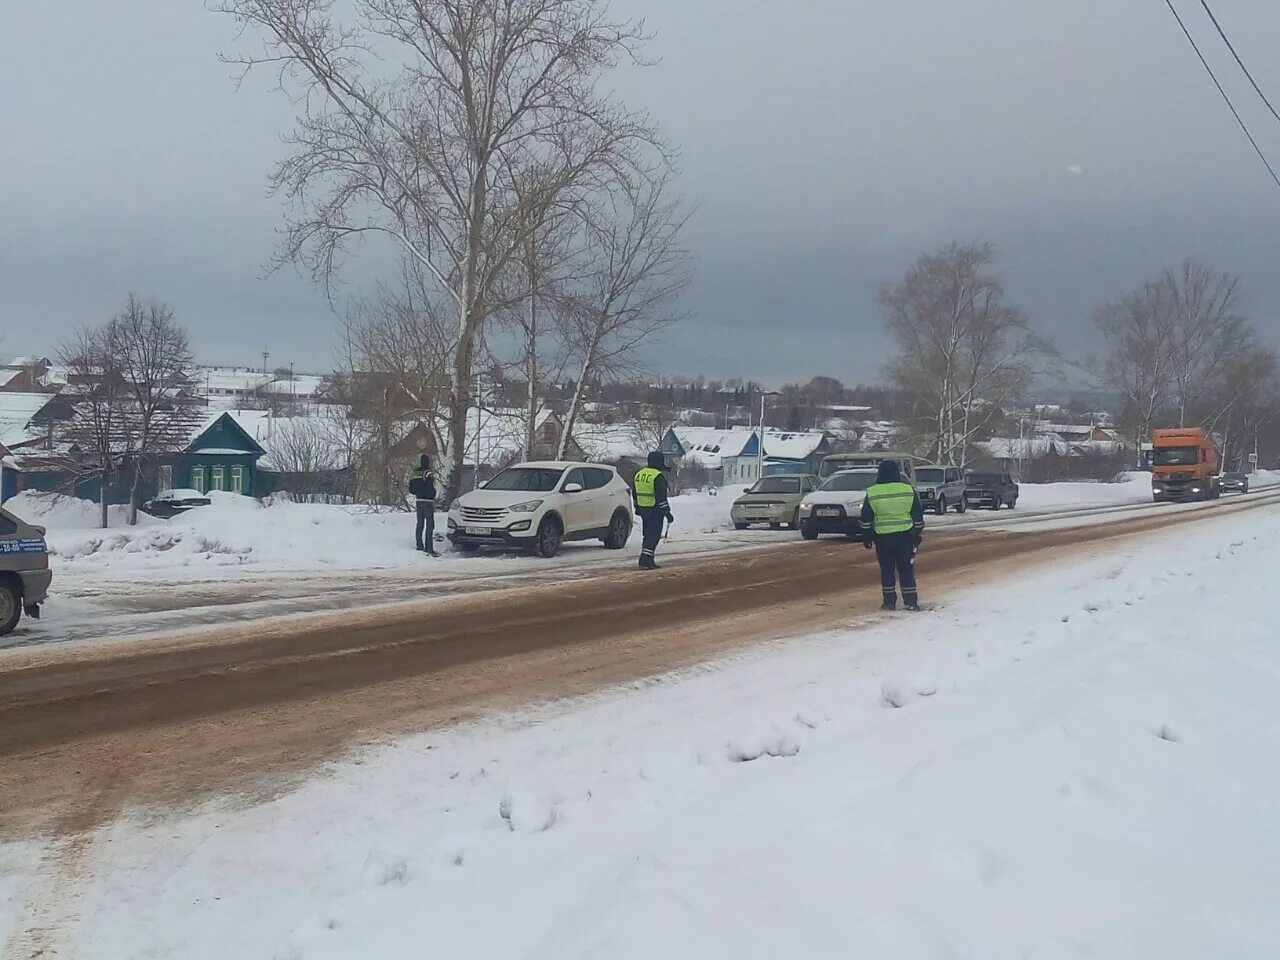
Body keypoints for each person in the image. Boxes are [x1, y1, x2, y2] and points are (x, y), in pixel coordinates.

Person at [859, 459, 925, 610]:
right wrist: (917, 533)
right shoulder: (908, 490)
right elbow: (917, 515)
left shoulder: (872, 492)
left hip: (883, 538)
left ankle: (889, 602)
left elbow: (866, 518)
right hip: (906, 536)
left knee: (887, 569)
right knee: (906, 568)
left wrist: (867, 537)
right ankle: (910, 602)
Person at [633, 451, 674, 570]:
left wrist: (637, 508)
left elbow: (635, 494)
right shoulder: (657, 476)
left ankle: (648, 560)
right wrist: (667, 513)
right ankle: (645, 561)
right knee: (653, 536)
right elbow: (661, 498)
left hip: (643, 509)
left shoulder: (639, 474)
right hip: (655, 510)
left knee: (647, 535)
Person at [409, 453, 439, 556]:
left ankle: (419, 545)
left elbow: (411, 490)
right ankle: (429, 548)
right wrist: (432, 494)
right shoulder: (427, 473)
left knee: (420, 524)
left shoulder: (414, 474)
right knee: (430, 525)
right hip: (428, 502)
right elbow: (430, 487)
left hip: (418, 501)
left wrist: (419, 493)